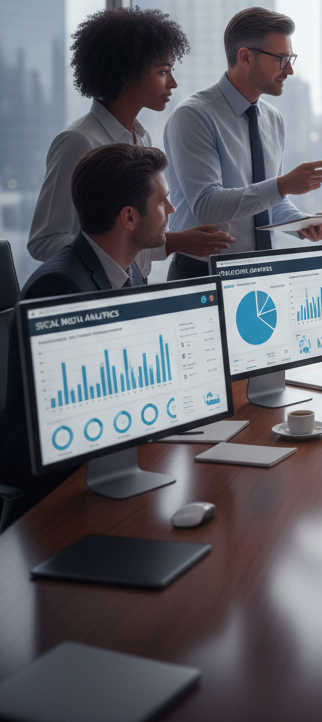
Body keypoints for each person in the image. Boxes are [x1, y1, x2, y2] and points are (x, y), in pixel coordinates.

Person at [1, 145, 174, 523]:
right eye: (162, 201)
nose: (172, 211)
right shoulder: (60, 286)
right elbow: (73, 414)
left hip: (112, 463)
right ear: (129, 217)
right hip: (60, 491)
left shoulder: (130, 272)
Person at [28, 6, 232, 279]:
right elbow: (44, 240)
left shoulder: (142, 139)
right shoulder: (78, 142)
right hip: (95, 298)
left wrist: (170, 240)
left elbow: (130, 234)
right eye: (163, 72)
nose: (173, 83)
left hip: (134, 288)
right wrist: (172, 242)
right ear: (127, 76)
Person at [163, 6, 322, 281]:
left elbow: (270, 203)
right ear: (245, 57)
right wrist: (282, 185)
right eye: (281, 59)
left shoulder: (273, 119)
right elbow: (208, 207)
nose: (289, 70)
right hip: (201, 276)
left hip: (261, 276)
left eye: (290, 58)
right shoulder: (194, 116)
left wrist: (302, 224)